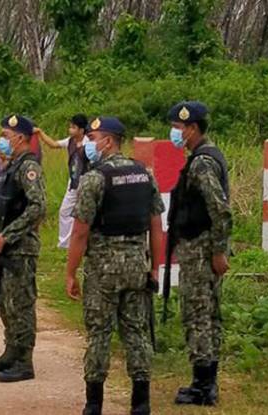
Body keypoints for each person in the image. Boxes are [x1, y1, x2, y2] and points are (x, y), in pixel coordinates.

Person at [64, 117, 164, 415]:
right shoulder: (144, 176)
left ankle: (94, 404)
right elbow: (156, 227)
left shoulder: (94, 179)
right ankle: (141, 403)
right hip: (137, 266)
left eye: (93, 138)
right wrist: (155, 268)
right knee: (136, 332)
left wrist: (70, 272)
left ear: (108, 141)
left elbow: (80, 231)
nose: (89, 144)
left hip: (103, 269)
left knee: (100, 333)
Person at [166, 101, 232, 406]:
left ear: (192, 129)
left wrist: (219, 252)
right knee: (207, 315)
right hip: (201, 248)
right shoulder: (203, 157)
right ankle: (205, 381)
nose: (174, 134)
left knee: (199, 315)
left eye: (178, 129)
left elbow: (220, 210)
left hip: (202, 251)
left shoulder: (203, 162)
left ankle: (203, 386)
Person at [0, 114, 46, 383]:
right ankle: (11, 351)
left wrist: (9, 234)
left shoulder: (28, 167)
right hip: (5, 248)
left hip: (20, 247)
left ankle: (24, 361)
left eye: (6, 136)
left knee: (21, 304)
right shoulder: (12, 165)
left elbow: (38, 206)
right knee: (6, 303)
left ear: (20, 138)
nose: (2, 140)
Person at [35, 114, 89, 248]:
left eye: (73, 127)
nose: (70, 130)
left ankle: (85, 242)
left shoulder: (89, 143)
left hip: (86, 180)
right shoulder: (70, 141)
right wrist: (40, 133)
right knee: (65, 211)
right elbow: (53, 144)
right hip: (73, 181)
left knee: (86, 213)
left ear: (81, 130)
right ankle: (65, 243)